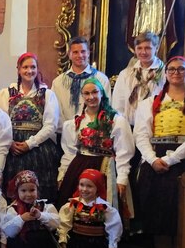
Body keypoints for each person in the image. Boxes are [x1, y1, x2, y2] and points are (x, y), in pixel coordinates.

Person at [133, 55, 185, 248]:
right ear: (165, 73)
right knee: (160, 222)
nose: (176, 73)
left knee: (180, 221)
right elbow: (141, 134)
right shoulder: (150, 101)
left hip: (182, 163)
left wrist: (170, 159)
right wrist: (153, 158)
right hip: (154, 164)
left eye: (181, 69)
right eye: (172, 69)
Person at [57, 78, 134, 211]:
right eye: (86, 93)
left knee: (103, 208)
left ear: (102, 93)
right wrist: (62, 174)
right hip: (79, 166)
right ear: (82, 96)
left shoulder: (116, 120)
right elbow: (69, 152)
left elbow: (124, 151)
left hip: (105, 167)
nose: (91, 97)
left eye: (94, 92)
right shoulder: (74, 123)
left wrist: (122, 178)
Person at [0, 53, 60, 203]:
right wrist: (9, 143)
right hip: (13, 150)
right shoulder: (5, 94)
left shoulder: (47, 94)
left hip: (39, 149)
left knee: (38, 192)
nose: (29, 71)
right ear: (18, 69)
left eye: (33, 67)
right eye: (25, 67)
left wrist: (29, 144)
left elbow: (50, 126)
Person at [2, 170, 71, 248]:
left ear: (37, 190)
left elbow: (56, 223)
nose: (28, 194)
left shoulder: (45, 206)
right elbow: (8, 231)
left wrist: (41, 216)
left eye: (32, 190)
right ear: (17, 191)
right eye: (23, 191)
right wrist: (21, 218)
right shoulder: (13, 209)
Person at [58, 169, 123, 248]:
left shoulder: (105, 208)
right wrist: (63, 239)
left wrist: (112, 246)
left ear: (97, 187)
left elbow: (114, 227)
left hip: (97, 245)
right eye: (81, 185)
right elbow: (64, 223)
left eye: (89, 186)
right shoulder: (72, 204)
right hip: (77, 243)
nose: (84, 189)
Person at [51, 36, 111, 133]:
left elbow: (106, 106)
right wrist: (68, 129)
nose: (80, 55)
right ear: (69, 54)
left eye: (83, 51)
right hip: (65, 133)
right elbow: (55, 111)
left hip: (94, 133)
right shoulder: (58, 82)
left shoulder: (100, 79)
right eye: (75, 52)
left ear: (88, 53)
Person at [112, 31, 165, 125]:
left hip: (156, 125)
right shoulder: (126, 74)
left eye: (148, 48)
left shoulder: (165, 73)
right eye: (139, 48)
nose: (143, 52)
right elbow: (117, 104)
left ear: (156, 48)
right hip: (129, 125)